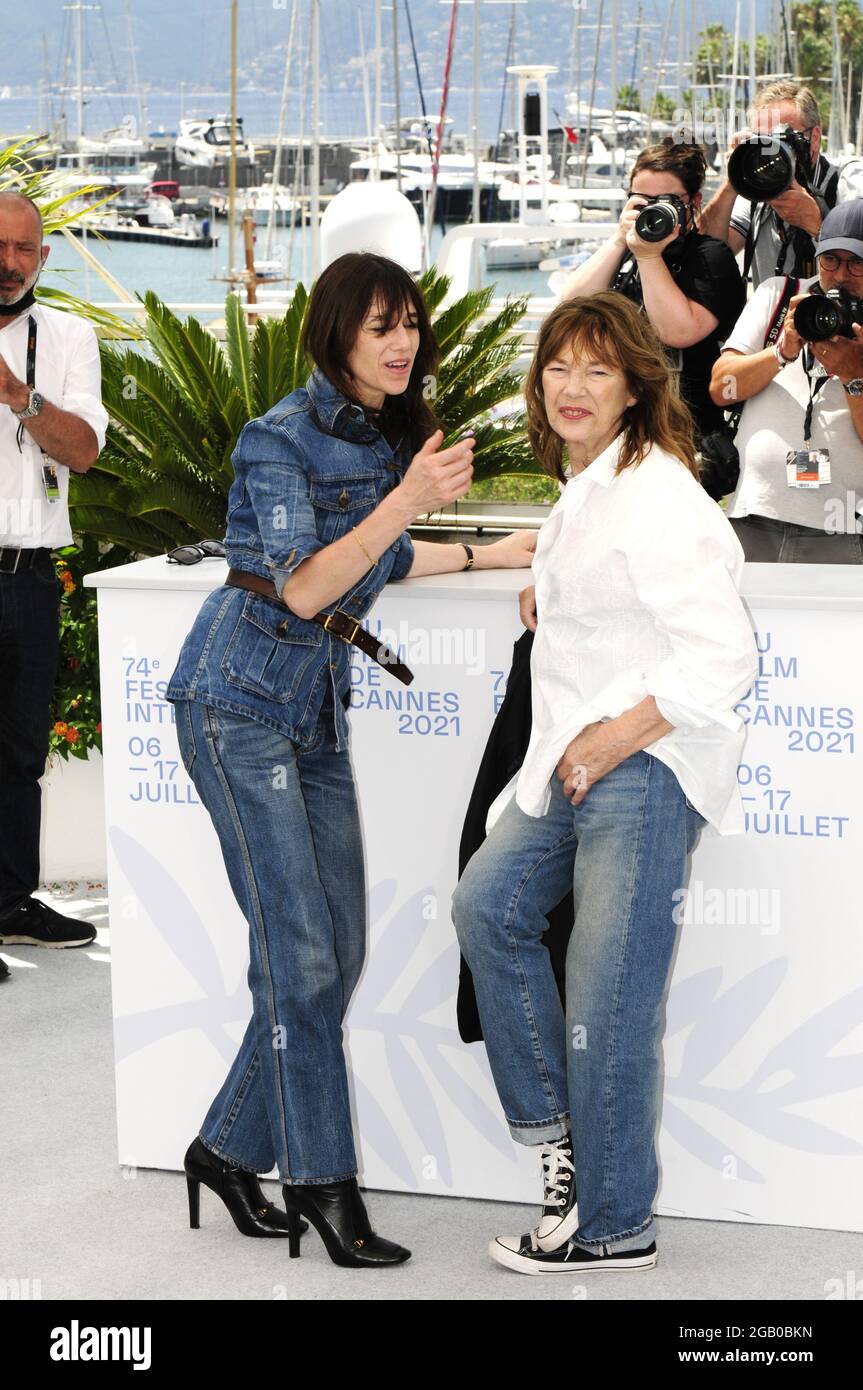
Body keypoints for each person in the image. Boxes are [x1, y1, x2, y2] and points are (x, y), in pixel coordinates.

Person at [164, 251, 537, 1267]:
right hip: (234, 703)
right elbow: (299, 585)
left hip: (311, 713)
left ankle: (226, 1149)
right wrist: (408, 497)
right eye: (380, 325)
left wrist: (483, 552)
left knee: (337, 951)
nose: (403, 341)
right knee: (301, 954)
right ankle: (326, 1189)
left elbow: (380, 556)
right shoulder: (276, 437)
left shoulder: (377, 437)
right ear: (335, 333)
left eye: (409, 322)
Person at [451, 293, 757, 1275]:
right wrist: (547, 584)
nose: (571, 386)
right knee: (486, 906)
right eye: (556, 366)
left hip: (639, 764)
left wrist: (614, 736)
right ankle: (562, 1155)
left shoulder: (658, 492)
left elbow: (722, 657)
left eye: (594, 369)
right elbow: (599, 587)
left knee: (605, 990)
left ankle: (612, 1221)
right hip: (573, 758)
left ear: (632, 384)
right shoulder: (588, 483)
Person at [0, 192, 107, 969]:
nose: (8, 263)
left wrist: (19, 396)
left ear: (42, 259)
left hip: (29, 576)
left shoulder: (68, 336)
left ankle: (9, 905)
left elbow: (82, 450)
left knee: (18, 755)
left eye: (23, 250)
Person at [561, 139, 744, 443]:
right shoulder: (626, 250)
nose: (654, 210)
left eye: (666, 200)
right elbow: (572, 307)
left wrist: (648, 256)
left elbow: (678, 331)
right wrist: (620, 240)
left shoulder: (710, 257)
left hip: (683, 432)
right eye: (643, 200)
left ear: (693, 202)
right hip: (617, 429)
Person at [709, 201, 863, 561]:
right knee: (743, 617)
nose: (841, 275)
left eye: (857, 263)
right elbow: (721, 389)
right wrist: (781, 351)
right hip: (755, 510)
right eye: (831, 260)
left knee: (832, 620)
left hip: (840, 525)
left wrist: (854, 376)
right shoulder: (780, 297)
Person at [700, 81, 840, 288]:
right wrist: (734, 178)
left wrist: (817, 224)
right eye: (762, 141)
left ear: (815, 138)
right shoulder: (756, 190)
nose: (771, 151)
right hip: (772, 319)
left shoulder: (845, 183)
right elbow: (709, 252)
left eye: (783, 138)